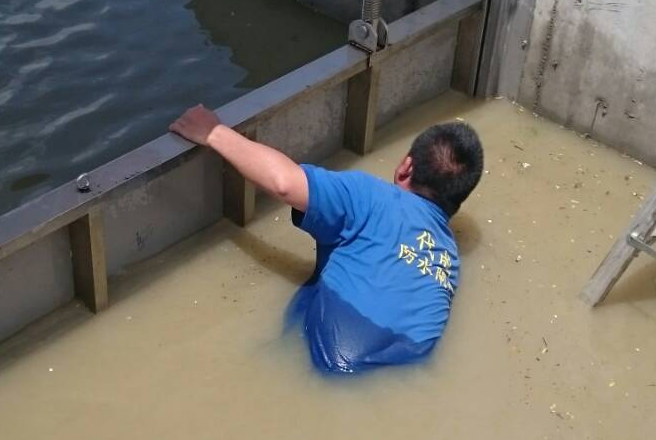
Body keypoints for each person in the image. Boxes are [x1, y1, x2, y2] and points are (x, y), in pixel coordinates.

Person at [170, 104, 484, 373]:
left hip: (338, 346)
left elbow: (284, 184)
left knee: (312, 292)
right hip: (408, 358)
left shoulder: (370, 196)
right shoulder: (449, 257)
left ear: (406, 168)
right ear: (457, 199)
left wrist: (213, 131)